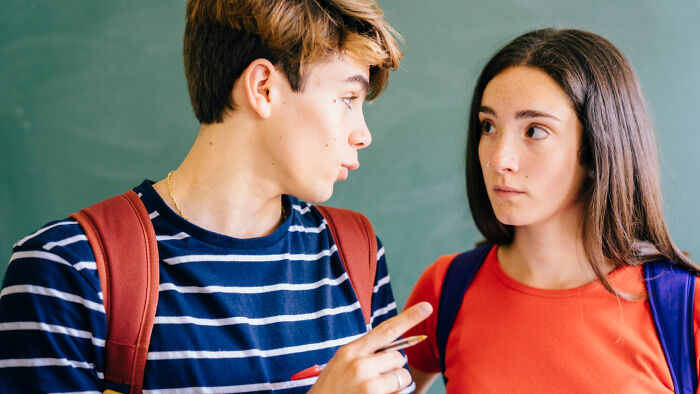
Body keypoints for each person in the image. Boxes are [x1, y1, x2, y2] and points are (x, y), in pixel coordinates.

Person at [0, 1, 433, 392]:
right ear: (263, 87)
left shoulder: (356, 252)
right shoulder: (65, 271)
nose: (363, 134)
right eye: (347, 98)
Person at [402, 28, 699, 393]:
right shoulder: (445, 288)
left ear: (596, 149)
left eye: (535, 131)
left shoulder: (687, 309)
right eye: (488, 126)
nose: (499, 159)